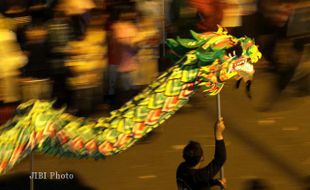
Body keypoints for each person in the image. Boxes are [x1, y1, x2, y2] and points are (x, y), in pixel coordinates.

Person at [176, 117, 227, 190]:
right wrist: (218, 134)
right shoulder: (200, 177)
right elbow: (220, 159)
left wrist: (215, 182)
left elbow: (199, 183)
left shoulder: (181, 169)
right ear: (202, 158)